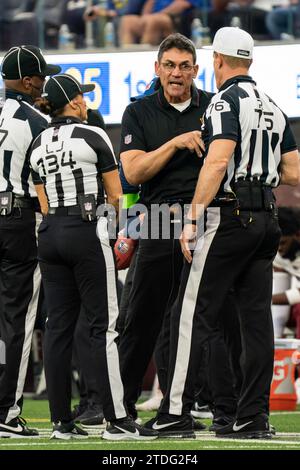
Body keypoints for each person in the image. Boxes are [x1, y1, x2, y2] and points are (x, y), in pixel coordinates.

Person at [145, 26, 300, 439]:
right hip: (267, 216)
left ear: (216, 60)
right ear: (248, 60)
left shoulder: (223, 102)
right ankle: (253, 417)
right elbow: (294, 172)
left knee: (189, 313)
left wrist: (193, 218)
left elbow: (217, 163)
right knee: (256, 323)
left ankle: (175, 411)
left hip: (230, 217)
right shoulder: (273, 105)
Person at [29, 73, 158, 441]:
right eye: (80, 97)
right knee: (104, 327)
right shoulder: (94, 134)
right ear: (72, 101)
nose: (85, 102)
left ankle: (61, 423)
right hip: (85, 230)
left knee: (57, 329)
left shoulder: (38, 142)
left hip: (50, 232)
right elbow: (116, 196)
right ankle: (116, 419)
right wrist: (116, 233)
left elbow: (43, 200)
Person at [119, 32, 222, 422]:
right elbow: (133, 170)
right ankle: (121, 408)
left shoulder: (215, 108)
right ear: (157, 69)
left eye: (184, 66)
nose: (176, 73)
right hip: (159, 219)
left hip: (205, 219)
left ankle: (184, 406)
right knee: (141, 319)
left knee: (200, 320)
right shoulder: (138, 112)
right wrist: (176, 143)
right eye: (169, 65)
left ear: (196, 70)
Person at [0, 45, 61, 438]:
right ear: (27, 81)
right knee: (16, 318)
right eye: (40, 77)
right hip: (17, 218)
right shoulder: (37, 121)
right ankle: (6, 410)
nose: (43, 84)